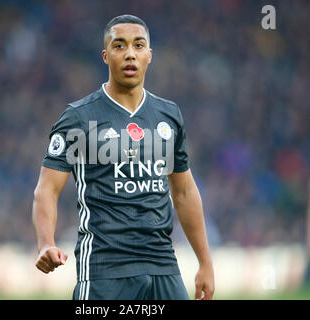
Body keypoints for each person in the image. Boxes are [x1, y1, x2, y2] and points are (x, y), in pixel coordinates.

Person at [32, 14, 214, 300]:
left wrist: (205, 262)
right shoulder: (79, 117)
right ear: (106, 56)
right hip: (105, 269)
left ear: (149, 55)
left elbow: (184, 191)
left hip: (162, 266)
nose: (130, 53)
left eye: (138, 46)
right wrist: (45, 243)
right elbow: (47, 189)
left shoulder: (168, 115)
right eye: (120, 46)